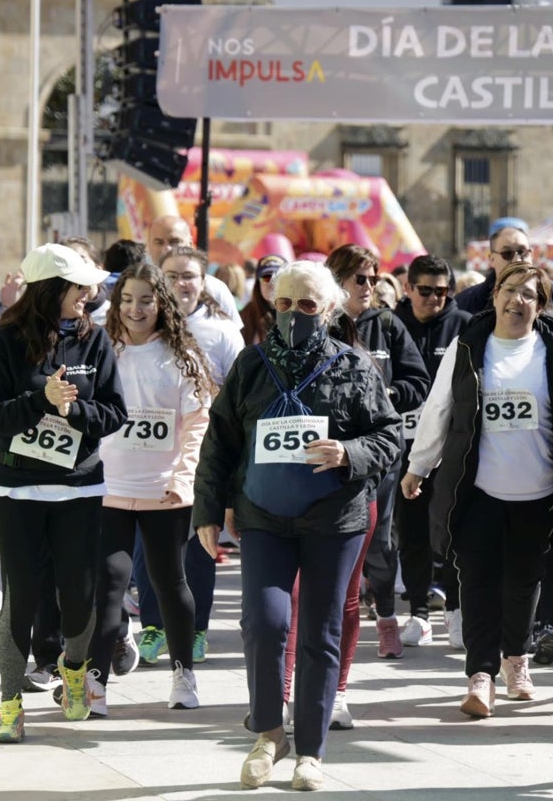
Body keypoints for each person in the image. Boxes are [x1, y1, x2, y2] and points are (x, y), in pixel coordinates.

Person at [192, 260, 401, 791]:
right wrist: (208, 512)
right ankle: (268, 733)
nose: (293, 314)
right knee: (264, 623)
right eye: (284, 303)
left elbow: (389, 437)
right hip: (264, 517)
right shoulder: (252, 364)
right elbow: (220, 442)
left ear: (328, 310)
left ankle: (310, 749)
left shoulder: (354, 366)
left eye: (306, 305)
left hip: (335, 519)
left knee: (320, 633)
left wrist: (348, 452)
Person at [401, 262, 553, 719]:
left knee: (523, 582)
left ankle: (517, 659)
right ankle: (480, 674)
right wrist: (418, 466)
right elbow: (438, 408)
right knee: (477, 582)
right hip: (478, 489)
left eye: (529, 294)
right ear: (493, 296)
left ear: (542, 304)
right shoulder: (468, 346)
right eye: (509, 290)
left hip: (539, 490)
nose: (517, 300)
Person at [0, 243, 126, 742]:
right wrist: (39, 400)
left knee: (79, 598)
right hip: (16, 488)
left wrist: (73, 411)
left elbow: (114, 415)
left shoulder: (96, 341)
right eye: (80, 286)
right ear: (51, 289)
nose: (89, 294)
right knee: (20, 599)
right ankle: (11, 703)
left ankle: (75, 669)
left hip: (78, 488)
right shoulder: (4, 341)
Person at [279, 244, 425, 730]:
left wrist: (378, 399)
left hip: (358, 484)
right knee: (294, 596)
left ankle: (335, 691)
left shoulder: (385, 329)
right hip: (289, 488)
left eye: (372, 278)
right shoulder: (280, 342)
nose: (368, 287)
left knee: (344, 594)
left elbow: (407, 395)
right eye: (358, 279)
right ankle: (285, 691)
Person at [85, 263, 215, 715]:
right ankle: (96, 685)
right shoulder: (102, 349)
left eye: (145, 300)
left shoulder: (183, 358)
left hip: (165, 493)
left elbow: (197, 425)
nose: (135, 309)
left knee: (168, 581)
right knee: (109, 586)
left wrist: (183, 478)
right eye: (126, 300)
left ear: (162, 304)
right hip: (109, 489)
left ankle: (183, 674)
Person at [134, 245, 245, 668]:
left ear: (204, 282)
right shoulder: (140, 325)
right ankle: (153, 624)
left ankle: (196, 629)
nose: (180, 284)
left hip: (205, 453)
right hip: (148, 454)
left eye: (189, 276)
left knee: (199, 542)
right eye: (172, 275)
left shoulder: (221, 332)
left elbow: (237, 396)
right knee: (148, 544)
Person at [392, 255, 472, 650]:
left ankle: (455, 610)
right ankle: (419, 612)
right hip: (404, 450)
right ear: (408, 289)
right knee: (412, 535)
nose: (435, 299)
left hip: (453, 451)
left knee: (454, 533)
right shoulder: (393, 325)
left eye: (442, 292)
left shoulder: (464, 326)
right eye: (425, 291)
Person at [454, 218, 553, 342]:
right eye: (507, 253)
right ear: (492, 259)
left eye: (522, 252)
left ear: (531, 255)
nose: (516, 259)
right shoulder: (467, 302)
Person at [145, 214, 239, 318]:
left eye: (174, 242)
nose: (167, 249)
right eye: (159, 242)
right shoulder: (137, 287)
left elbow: (232, 332)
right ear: (148, 246)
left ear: (189, 244)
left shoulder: (215, 290)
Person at [240, 253, 286, 346]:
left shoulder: (295, 315)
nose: (271, 283)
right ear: (258, 284)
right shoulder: (246, 316)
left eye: (277, 278)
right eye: (266, 278)